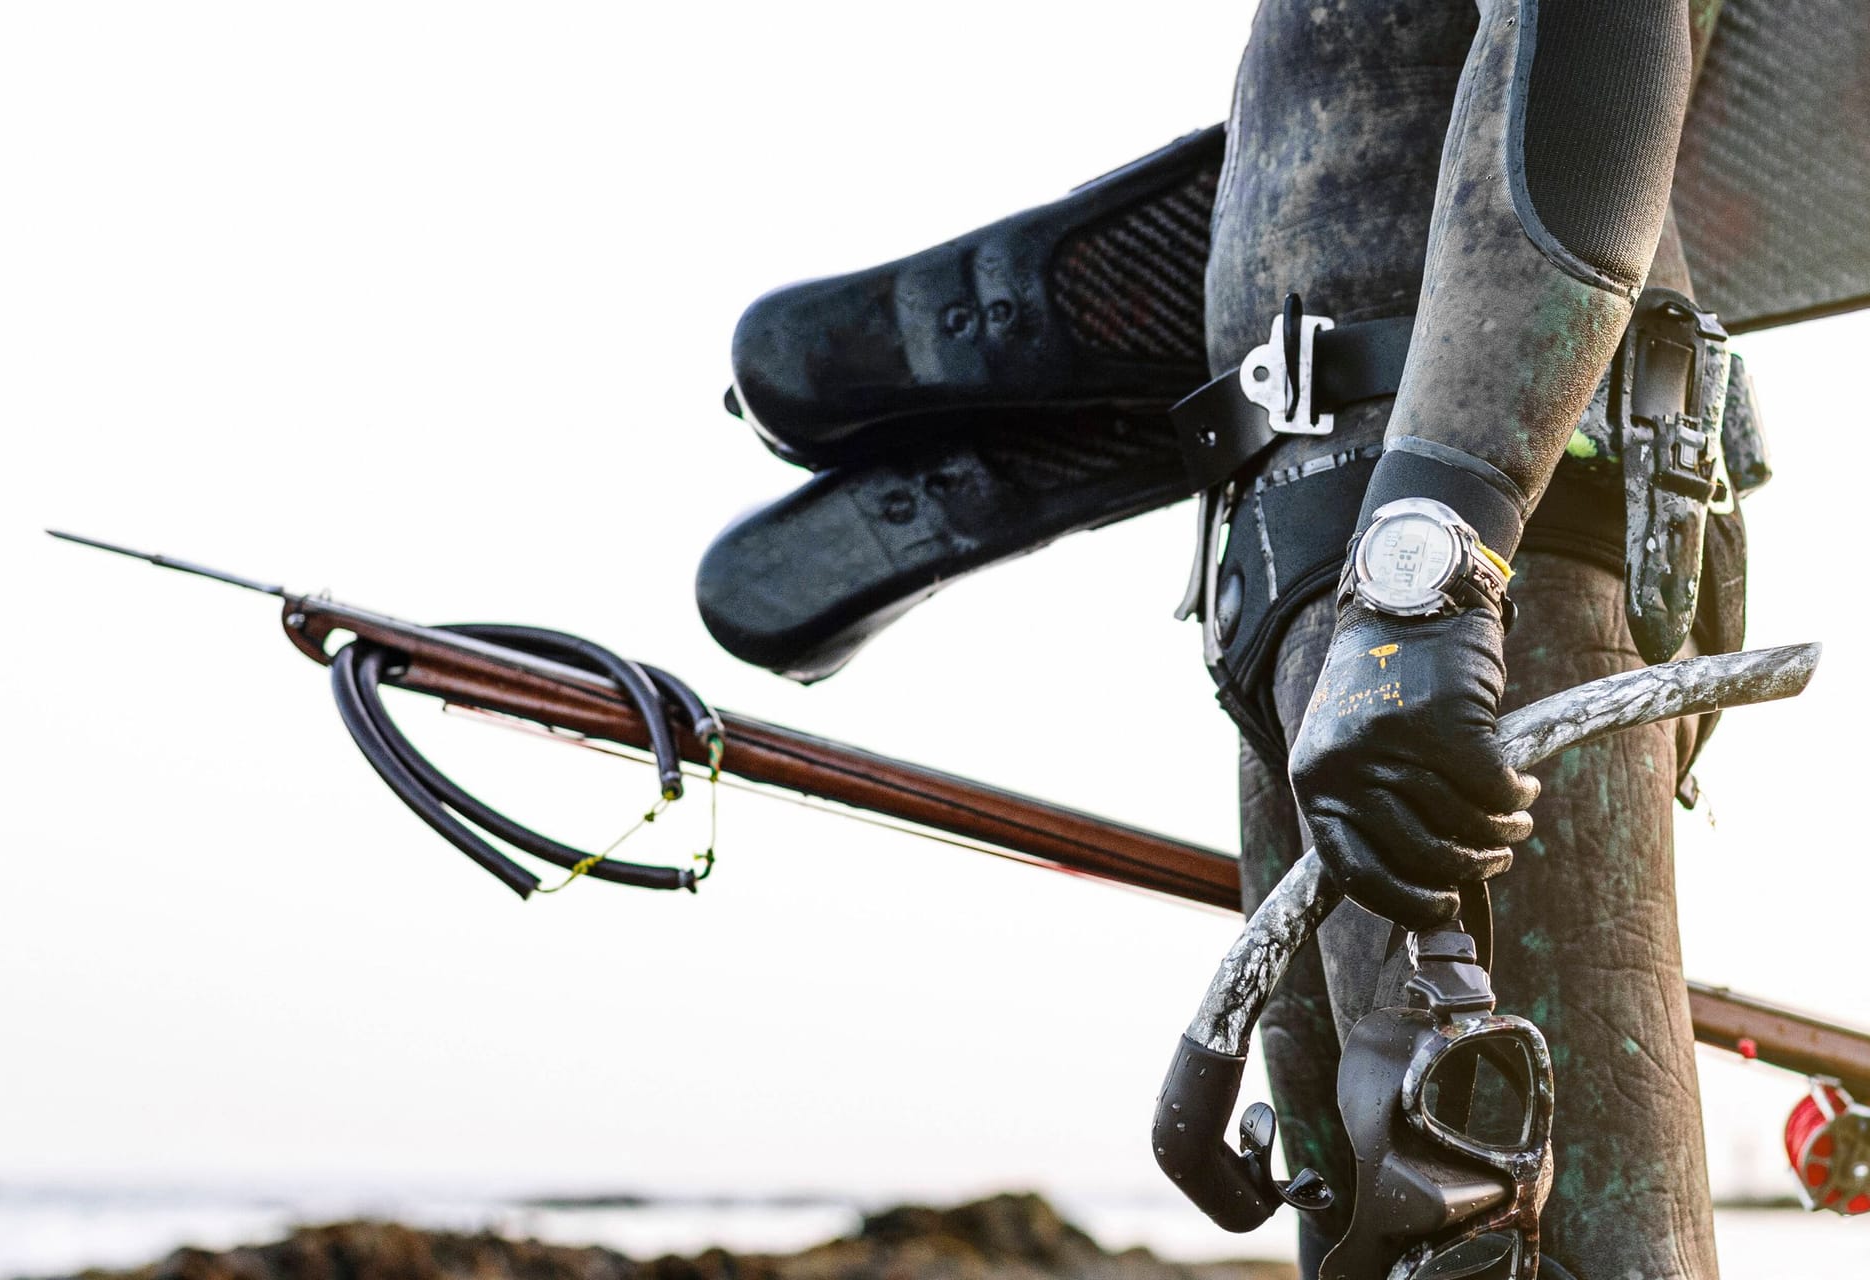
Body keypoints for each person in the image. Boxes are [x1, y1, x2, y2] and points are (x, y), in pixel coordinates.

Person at [703, 3, 1799, 1275]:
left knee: (1537, 1238)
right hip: (1312, 553)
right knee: (1383, 1235)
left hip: (1484, 542)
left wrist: (1427, 572)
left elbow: (1596, 44)